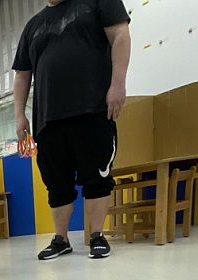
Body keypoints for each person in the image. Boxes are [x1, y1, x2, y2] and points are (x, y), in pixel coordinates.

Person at [13, 0, 131, 260]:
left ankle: (96, 235)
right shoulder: (32, 26)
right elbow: (22, 75)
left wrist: (118, 84)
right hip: (48, 118)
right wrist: (19, 115)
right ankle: (61, 239)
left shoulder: (96, 2)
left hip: (92, 107)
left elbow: (120, 35)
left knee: (97, 176)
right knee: (56, 182)